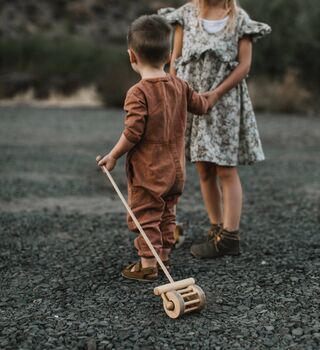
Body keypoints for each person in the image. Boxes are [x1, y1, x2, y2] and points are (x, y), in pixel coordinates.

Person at [98, 14, 210, 281]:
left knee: (145, 215)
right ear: (170, 55)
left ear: (131, 57)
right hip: (176, 170)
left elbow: (133, 133)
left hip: (150, 170)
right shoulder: (180, 85)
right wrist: (214, 93)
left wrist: (113, 155)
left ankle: (149, 263)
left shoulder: (138, 93)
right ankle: (164, 258)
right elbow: (202, 106)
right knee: (167, 213)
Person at [159, 0, 271, 258]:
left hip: (224, 106)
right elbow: (176, 61)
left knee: (225, 169)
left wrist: (216, 94)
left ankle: (230, 236)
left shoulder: (239, 19)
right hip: (191, 101)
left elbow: (244, 66)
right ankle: (216, 227)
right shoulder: (186, 15)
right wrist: (174, 96)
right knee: (203, 167)